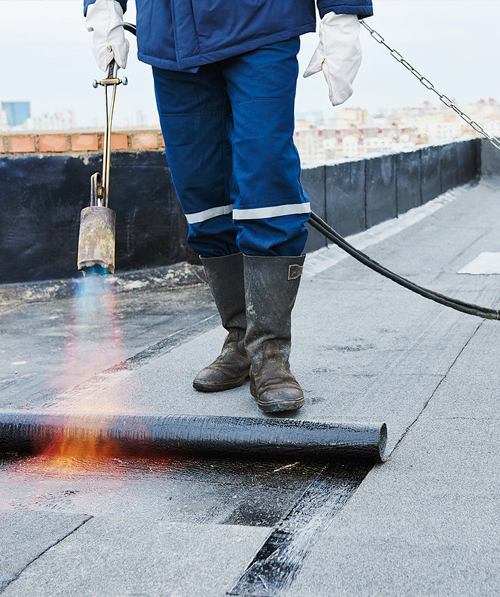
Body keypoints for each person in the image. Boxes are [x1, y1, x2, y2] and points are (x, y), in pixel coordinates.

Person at [85, 0, 373, 412]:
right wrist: (102, 9)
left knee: (267, 180)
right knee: (202, 194)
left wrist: (341, 15)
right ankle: (240, 339)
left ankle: (270, 355)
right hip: (171, 38)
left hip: (260, 21)